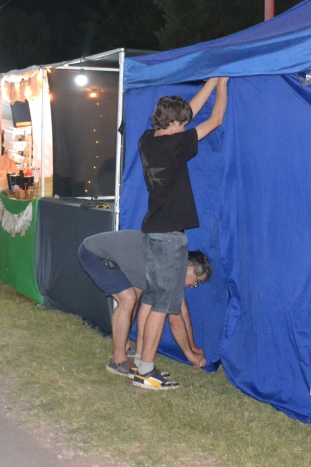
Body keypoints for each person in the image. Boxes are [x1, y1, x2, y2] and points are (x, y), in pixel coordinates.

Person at [133, 77, 228, 391]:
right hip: (169, 236)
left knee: (152, 300)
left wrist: (212, 80)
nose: (186, 126)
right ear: (173, 124)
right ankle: (146, 371)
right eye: (182, 123)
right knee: (163, 305)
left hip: (152, 231)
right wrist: (223, 85)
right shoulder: (175, 145)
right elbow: (215, 119)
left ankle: (140, 363)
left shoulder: (148, 139)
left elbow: (189, 113)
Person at [78, 231, 211, 378]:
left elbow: (181, 308)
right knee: (128, 299)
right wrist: (190, 355)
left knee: (135, 295)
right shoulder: (170, 270)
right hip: (93, 253)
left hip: (112, 256)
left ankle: (125, 345)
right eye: (196, 282)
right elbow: (175, 319)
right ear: (190, 270)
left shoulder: (173, 264)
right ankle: (118, 361)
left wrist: (192, 347)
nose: (193, 286)